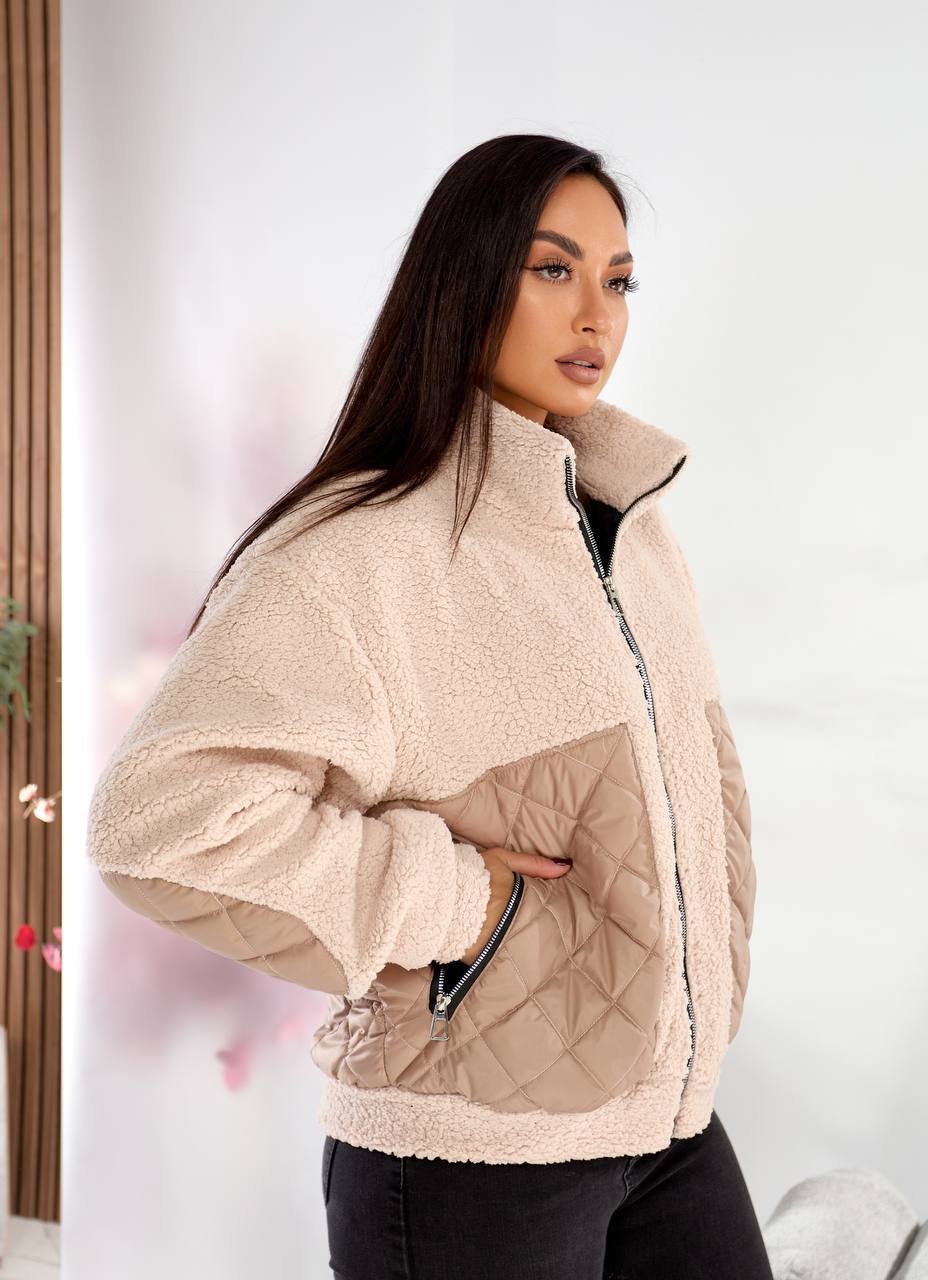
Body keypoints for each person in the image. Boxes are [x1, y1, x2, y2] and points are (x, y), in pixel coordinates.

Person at [86, 134, 770, 1278]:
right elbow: (158, 817)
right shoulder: (360, 548)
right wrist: (461, 902)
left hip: (663, 1120)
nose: (595, 314)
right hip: (465, 1157)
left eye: (618, 279)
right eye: (551, 269)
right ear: (467, 279)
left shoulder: (631, 522)